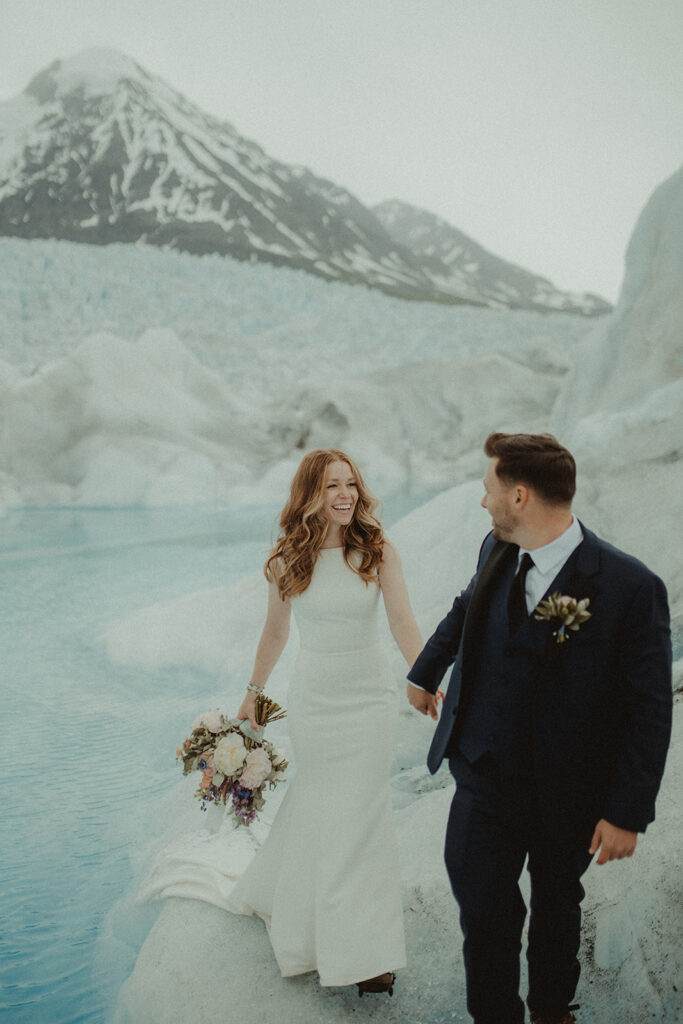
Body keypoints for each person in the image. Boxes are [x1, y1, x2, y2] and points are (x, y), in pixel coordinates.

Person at [406, 432, 672, 1024]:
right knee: (484, 915)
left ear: (520, 495)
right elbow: (466, 606)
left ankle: (553, 1013)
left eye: (489, 489)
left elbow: (650, 710)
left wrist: (628, 811)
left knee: (556, 912)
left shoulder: (629, 588)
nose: (483, 502)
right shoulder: (496, 549)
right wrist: (424, 671)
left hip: (568, 791)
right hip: (482, 774)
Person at [227, 448, 423, 995]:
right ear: (310, 494)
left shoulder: (378, 551)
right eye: (333, 486)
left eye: (352, 484)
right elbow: (274, 633)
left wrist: (428, 679)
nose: (345, 495)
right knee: (326, 810)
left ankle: (369, 954)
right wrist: (254, 694)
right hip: (317, 701)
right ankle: (318, 927)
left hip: (369, 698)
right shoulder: (287, 559)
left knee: (364, 817)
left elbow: (404, 622)